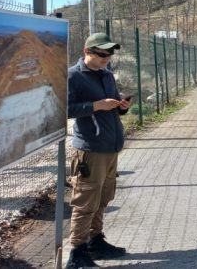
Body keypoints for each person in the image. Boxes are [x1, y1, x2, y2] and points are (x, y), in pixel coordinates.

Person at [66, 33, 131, 268]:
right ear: (87, 52)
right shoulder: (74, 76)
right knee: (85, 201)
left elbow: (111, 105)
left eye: (110, 54)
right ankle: (77, 252)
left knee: (102, 198)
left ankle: (95, 241)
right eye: (102, 53)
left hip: (110, 147)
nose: (107, 58)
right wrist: (97, 105)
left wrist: (121, 106)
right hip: (90, 150)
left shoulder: (106, 75)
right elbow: (65, 109)